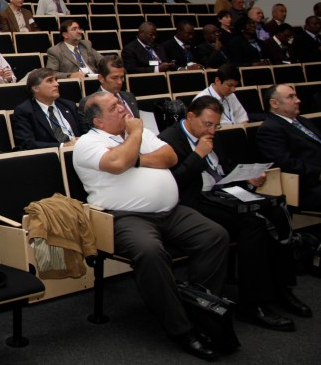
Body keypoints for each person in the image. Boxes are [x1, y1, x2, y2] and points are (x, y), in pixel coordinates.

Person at [74, 91, 229, 360]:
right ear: (98, 121)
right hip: (125, 217)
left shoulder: (141, 133)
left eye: (120, 103)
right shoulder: (88, 143)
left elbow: (170, 157)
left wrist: (135, 159)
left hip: (170, 211)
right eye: (113, 107)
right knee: (150, 252)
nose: (122, 108)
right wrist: (134, 136)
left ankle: (199, 306)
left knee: (215, 236)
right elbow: (117, 163)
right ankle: (181, 329)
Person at [159, 96, 310, 330]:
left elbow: (225, 168)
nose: (212, 130)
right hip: (195, 201)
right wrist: (198, 154)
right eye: (207, 124)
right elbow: (172, 183)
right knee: (253, 224)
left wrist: (247, 178)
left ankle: (281, 288)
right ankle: (252, 303)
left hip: (224, 193)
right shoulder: (168, 140)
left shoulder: (210, 135)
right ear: (190, 117)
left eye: (216, 125)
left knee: (278, 211)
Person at [257, 84, 321, 210]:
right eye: (291, 97)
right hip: (305, 186)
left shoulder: (302, 121)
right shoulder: (269, 129)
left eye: (296, 96)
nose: (298, 100)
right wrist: (318, 173)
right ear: (274, 103)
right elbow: (286, 164)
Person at [13, 68, 86, 150]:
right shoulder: (25, 111)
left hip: (80, 149)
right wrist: (63, 146)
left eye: (56, 80)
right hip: (52, 154)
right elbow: (27, 143)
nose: (57, 84)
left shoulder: (69, 105)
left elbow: (85, 131)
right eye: (50, 81)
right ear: (35, 88)